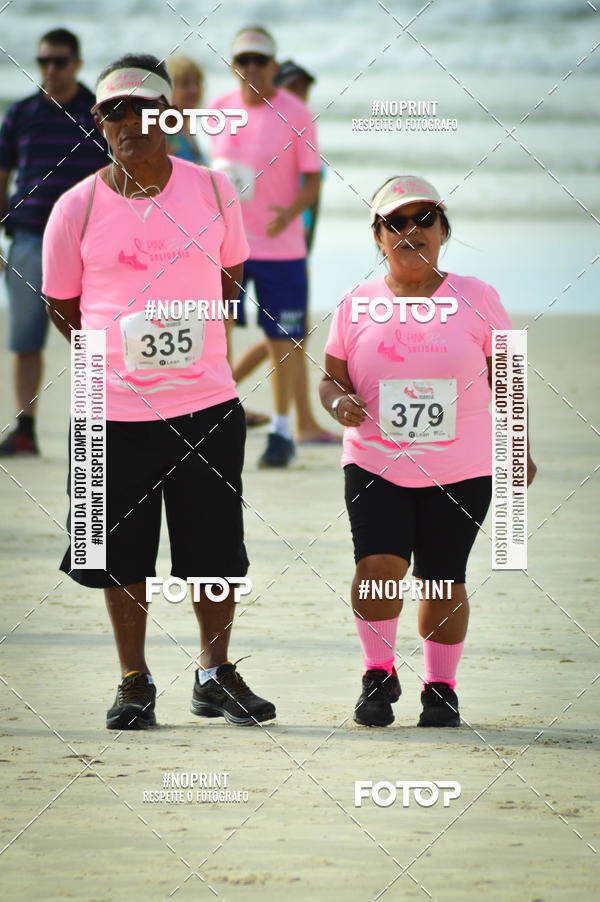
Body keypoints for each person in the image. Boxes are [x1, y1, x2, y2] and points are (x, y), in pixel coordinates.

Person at [42, 53, 275, 730]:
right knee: (117, 553)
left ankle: (214, 674)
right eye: (113, 112)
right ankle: (133, 681)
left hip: (205, 404)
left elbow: (229, 281)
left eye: (144, 110)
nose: (129, 123)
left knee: (215, 551)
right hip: (107, 413)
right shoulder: (74, 208)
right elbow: (62, 307)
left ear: (170, 117)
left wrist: (185, 345)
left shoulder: (214, 191)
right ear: (98, 123)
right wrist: (118, 360)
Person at [319, 175, 537, 728]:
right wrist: (338, 403)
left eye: (424, 219)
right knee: (377, 566)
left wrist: (519, 446)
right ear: (377, 236)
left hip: (462, 467)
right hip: (374, 461)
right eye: (395, 222)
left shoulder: (478, 296)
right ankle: (377, 673)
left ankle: (440, 688)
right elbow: (330, 379)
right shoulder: (356, 303)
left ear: (442, 230)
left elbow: (508, 375)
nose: (410, 230)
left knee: (443, 577)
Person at [209, 26, 322, 467]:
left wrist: (289, 213)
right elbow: (205, 177)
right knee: (218, 333)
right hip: (228, 248)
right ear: (233, 65)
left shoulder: (297, 113)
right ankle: (214, 417)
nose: (252, 68)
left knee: (285, 339)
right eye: (244, 60)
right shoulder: (217, 109)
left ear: (274, 65)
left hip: (282, 250)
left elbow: (312, 183)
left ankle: (281, 431)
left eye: (260, 60)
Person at [0, 28, 107, 456]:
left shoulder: (97, 113)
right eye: (44, 61)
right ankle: (25, 429)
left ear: (76, 63)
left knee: (89, 337)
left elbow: (115, 177)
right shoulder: (20, 113)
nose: (51, 69)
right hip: (27, 235)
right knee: (25, 339)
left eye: (59, 61)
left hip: (84, 240)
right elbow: (2, 177)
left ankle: (94, 427)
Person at [231, 57, 335, 444]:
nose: (299, 96)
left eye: (304, 88)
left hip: (295, 248)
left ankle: (302, 420)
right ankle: (229, 397)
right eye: (292, 87)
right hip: (273, 249)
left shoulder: (301, 131)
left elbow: (313, 203)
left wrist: (305, 249)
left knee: (290, 337)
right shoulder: (269, 132)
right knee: (286, 338)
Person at [165, 55, 208, 165]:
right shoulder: (164, 133)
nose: (194, 90)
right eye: (185, 84)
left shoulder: (186, 129)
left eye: (197, 83)